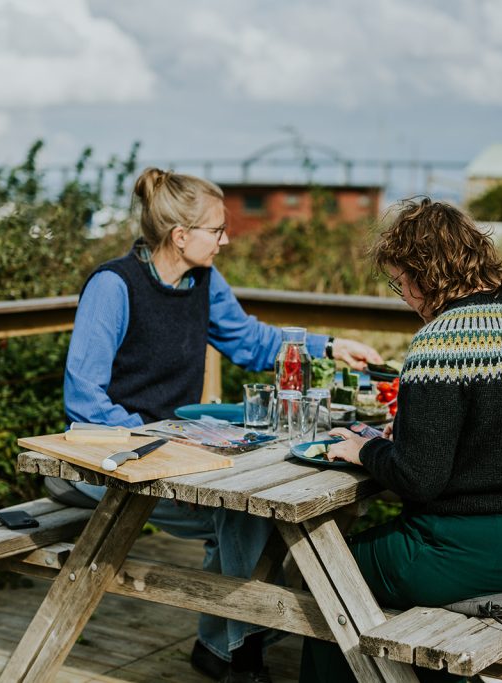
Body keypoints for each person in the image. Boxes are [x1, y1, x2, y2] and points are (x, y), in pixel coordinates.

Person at [54, 167, 381, 683]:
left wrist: (331, 347)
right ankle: (239, 651)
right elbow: (84, 401)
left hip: (171, 458)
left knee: (257, 515)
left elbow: (249, 341)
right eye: (216, 230)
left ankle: (224, 646)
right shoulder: (113, 287)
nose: (226, 240)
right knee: (248, 517)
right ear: (180, 236)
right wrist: (156, 441)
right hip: (106, 463)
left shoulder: (202, 280)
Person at [297, 198, 502, 683]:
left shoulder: (442, 342)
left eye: (399, 281)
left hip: (474, 552)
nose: (402, 295)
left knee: (326, 571)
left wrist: (364, 448)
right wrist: (408, 435)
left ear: (422, 273)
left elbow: (419, 478)